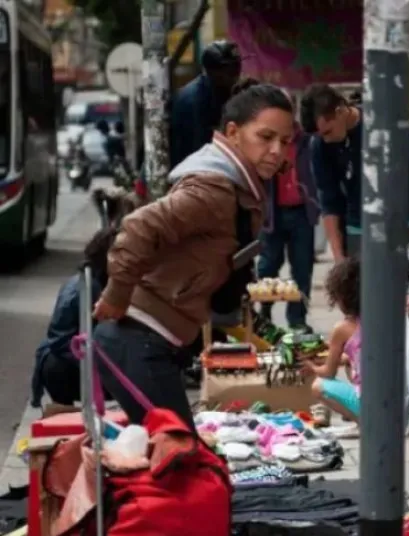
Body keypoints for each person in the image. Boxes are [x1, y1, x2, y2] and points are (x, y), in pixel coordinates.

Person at [93, 81, 295, 432]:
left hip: (150, 341)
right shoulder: (213, 188)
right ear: (233, 133)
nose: (277, 151)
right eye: (266, 137)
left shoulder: (236, 185)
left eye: (285, 141)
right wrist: (117, 294)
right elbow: (138, 226)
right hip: (137, 338)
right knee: (182, 452)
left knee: (170, 451)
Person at [304, 84, 409, 261]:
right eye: (320, 135)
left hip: (408, 219)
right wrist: (338, 257)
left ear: (340, 111)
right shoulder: (319, 146)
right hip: (359, 226)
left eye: (328, 132)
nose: (326, 140)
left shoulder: (384, 118)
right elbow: (328, 199)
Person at [30, 226, 118, 410]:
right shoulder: (87, 289)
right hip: (66, 367)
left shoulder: (87, 281)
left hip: (64, 363)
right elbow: (63, 341)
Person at [258, 90, 320, 331]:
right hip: (272, 212)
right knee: (268, 266)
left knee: (302, 268)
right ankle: (264, 311)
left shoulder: (306, 140)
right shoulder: (265, 139)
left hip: (301, 212)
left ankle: (297, 319)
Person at [170, 40, 243, 168]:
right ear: (213, 72)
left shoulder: (225, 90)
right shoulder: (194, 100)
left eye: (237, 67)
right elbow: (197, 151)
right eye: (231, 70)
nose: (236, 75)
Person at [306, 258, 362, 424]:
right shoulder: (379, 319)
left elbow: (328, 373)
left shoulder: (342, 329)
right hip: (394, 400)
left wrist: (311, 366)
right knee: (349, 363)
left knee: (318, 385)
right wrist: (333, 352)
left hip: (370, 402)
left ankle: (362, 421)